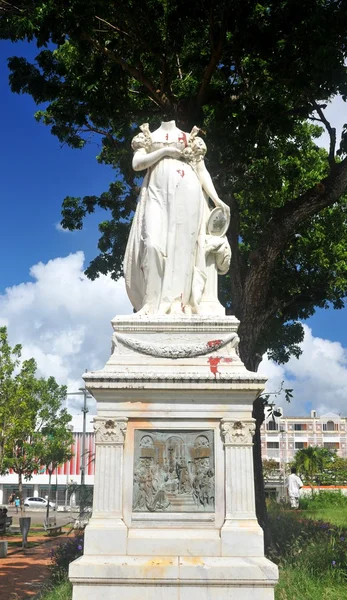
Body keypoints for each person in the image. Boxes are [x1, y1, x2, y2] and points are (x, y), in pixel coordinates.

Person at [124, 120, 231, 316]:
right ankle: (151, 302)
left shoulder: (191, 138)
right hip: (156, 193)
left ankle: (178, 303)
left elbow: (201, 170)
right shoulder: (149, 136)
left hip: (188, 192)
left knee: (183, 248)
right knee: (153, 244)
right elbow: (137, 164)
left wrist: (216, 199)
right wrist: (164, 152)